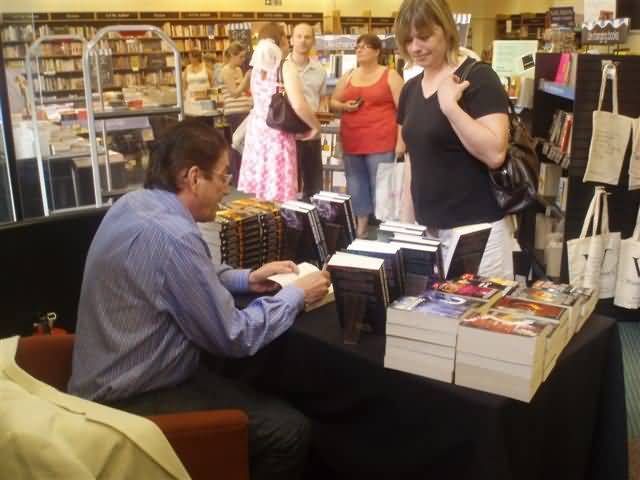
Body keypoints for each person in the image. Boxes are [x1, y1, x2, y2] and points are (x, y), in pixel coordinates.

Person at [68, 120, 331, 480]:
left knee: (246, 387)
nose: (227, 189)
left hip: (101, 381)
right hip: (132, 399)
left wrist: (246, 279)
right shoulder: (174, 237)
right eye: (223, 177)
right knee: (287, 430)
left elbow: (189, 276)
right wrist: (295, 296)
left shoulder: (132, 205)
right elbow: (234, 336)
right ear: (193, 178)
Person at [395, 0, 513, 279]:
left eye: (424, 37)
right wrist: (406, 223)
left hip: (476, 230)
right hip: (429, 230)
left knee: (480, 318)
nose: (415, 47)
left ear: (446, 31)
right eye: (408, 40)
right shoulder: (411, 89)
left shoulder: (478, 78)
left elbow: (495, 152)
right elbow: (413, 159)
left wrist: (450, 108)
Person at [330, 34, 404, 239]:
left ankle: (387, 231)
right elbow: (333, 102)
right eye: (357, 47)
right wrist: (344, 106)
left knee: (382, 186)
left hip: (381, 140)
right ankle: (360, 227)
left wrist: (401, 141)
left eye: (365, 47)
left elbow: (404, 110)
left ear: (377, 51)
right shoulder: (349, 76)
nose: (359, 50)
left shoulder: (390, 76)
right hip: (353, 139)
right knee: (356, 184)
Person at [239, 22, 320, 203]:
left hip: (258, 132)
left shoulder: (256, 70)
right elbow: (298, 103)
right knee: (280, 190)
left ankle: (265, 228)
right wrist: (315, 126)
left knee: (262, 191)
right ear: (282, 40)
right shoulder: (284, 66)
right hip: (278, 132)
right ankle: (282, 228)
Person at [289, 23, 327, 200]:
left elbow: (321, 99)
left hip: (311, 132)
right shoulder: (282, 67)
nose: (303, 41)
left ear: (313, 41)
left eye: (307, 37)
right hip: (286, 134)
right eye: (299, 36)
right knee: (289, 186)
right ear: (291, 40)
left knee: (313, 186)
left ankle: (312, 225)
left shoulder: (319, 70)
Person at [221, 42, 253, 184]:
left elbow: (243, 89)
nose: (242, 60)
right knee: (237, 143)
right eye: (240, 57)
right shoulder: (226, 71)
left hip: (244, 109)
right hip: (234, 111)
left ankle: (244, 175)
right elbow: (234, 93)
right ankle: (237, 176)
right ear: (232, 56)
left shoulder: (238, 70)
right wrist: (246, 78)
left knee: (244, 144)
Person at [182, 50, 213, 115]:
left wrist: (211, 95)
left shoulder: (206, 66)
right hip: (191, 98)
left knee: (207, 115)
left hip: (205, 97)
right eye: (189, 57)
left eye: (191, 57)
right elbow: (184, 84)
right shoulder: (187, 68)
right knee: (193, 117)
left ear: (197, 57)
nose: (190, 59)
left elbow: (212, 82)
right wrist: (184, 96)